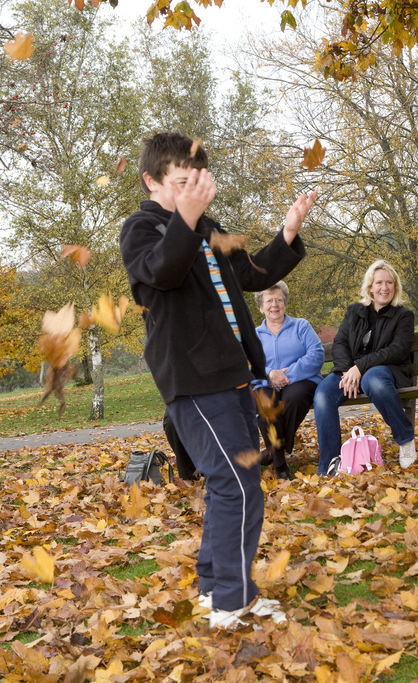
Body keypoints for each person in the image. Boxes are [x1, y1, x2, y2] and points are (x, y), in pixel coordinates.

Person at [119, 131, 317, 629]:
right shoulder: (140, 229)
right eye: (181, 183)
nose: (192, 193)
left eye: (197, 184)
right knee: (239, 484)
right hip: (192, 379)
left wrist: (288, 232)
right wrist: (187, 217)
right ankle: (232, 601)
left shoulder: (207, 228)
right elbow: (163, 271)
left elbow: (251, 273)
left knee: (234, 481)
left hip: (233, 376)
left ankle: (214, 590)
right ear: (152, 180)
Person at [313, 260, 416, 475]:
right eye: (379, 282)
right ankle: (331, 465)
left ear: (395, 287)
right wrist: (348, 370)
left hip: (386, 371)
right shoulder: (354, 312)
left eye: (389, 283)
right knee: (323, 394)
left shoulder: (403, 316)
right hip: (350, 371)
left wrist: (359, 367)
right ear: (370, 287)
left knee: (373, 380)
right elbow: (340, 343)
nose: (384, 288)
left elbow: (397, 350)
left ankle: (406, 440)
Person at [253, 281, 324, 481]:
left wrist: (288, 374)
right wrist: (270, 374)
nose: (274, 305)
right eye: (269, 301)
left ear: (285, 303)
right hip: (266, 383)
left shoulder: (301, 325)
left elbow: (316, 354)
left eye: (279, 300)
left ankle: (273, 449)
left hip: (301, 381)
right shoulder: (254, 335)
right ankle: (280, 464)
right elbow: (249, 364)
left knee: (293, 399)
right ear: (261, 307)